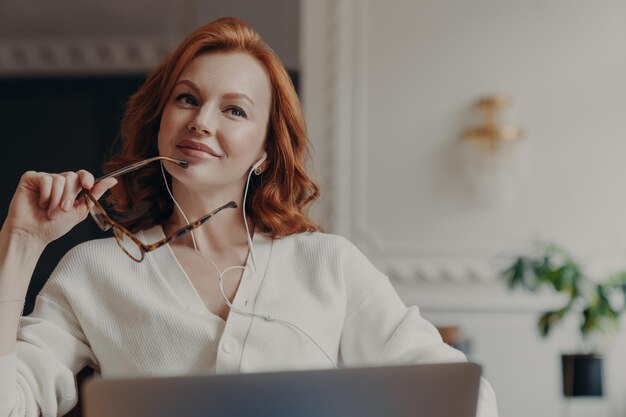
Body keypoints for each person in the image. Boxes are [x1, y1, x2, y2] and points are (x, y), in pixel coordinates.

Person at [0, 17, 498, 417]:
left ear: (265, 150)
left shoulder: (328, 265)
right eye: (187, 99)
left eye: (234, 110)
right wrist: (20, 243)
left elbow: (471, 401)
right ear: (161, 122)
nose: (201, 121)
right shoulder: (94, 270)